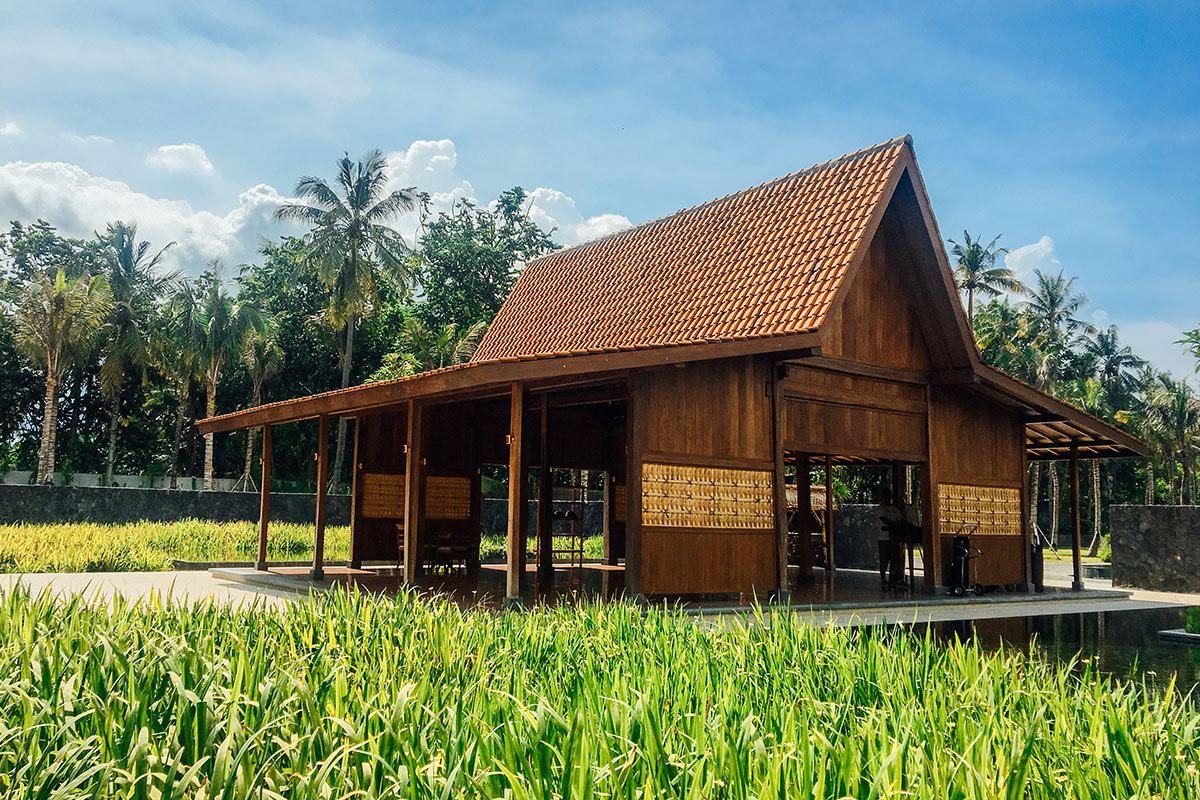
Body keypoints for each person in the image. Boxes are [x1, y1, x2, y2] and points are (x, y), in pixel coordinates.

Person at [878, 488, 921, 586]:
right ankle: (883, 578)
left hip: (894, 537)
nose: (888, 498)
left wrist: (911, 527)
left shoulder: (894, 510)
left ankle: (896, 578)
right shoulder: (880, 509)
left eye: (889, 496)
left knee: (895, 558)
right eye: (886, 496)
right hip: (883, 537)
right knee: (884, 558)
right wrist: (895, 525)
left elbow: (902, 521)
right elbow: (883, 519)